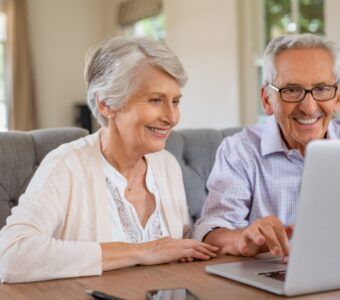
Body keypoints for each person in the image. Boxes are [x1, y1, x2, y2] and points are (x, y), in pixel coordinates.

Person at [0, 36, 218, 283]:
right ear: (106, 105)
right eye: (156, 100)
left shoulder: (166, 164)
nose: (172, 117)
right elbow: (10, 256)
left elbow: (178, 244)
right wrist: (144, 251)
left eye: (175, 101)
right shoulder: (66, 166)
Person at [194, 33, 340, 261]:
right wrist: (241, 238)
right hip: (268, 282)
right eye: (292, 90)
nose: (309, 107)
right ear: (267, 100)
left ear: (337, 98)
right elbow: (211, 230)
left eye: (321, 89)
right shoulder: (239, 151)